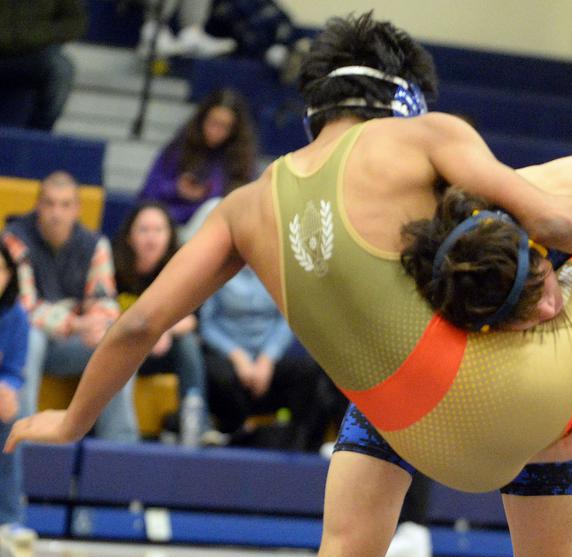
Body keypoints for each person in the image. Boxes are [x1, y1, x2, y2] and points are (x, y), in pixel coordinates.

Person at [5, 13, 572, 557]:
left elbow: (135, 330)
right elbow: (566, 213)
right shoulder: (434, 147)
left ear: (320, 109)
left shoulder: (244, 208)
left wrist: (66, 424)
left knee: (345, 548)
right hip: (514, 406)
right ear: (403, 102)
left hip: (396, 427)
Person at [1, 171, 138, 443]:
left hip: (70, 343)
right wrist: (75, 322)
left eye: (65, 205)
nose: (56, 213)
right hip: (30, 342)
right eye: (49, 204)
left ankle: (119, 446)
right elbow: (23, 305)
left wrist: (96, 326)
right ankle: (23, 437)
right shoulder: (14, 239)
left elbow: (105, 300)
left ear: (77, 209)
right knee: (32, 335)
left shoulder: (94, 243)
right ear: (38, 205)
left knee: (118, 339)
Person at [201, 266, 342, 451]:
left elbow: (286, 319)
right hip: (230, 357)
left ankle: (301, 444)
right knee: (217, 375)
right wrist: (237, 356)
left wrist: (268, 357)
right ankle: (232, 436)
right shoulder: (217, 270)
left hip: (267, 359)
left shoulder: (275, 267)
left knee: (308, 371)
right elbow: (207, 324)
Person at [112, 202, 208, 438]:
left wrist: (162, 330)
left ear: (169, 235)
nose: (151, 238)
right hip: (126, 349)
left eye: (158, 230)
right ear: (129, 237)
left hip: (161, 351)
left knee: (186, 343)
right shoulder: (113, 266)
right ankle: (120, 435)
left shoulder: (178, 268)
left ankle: (194, 421)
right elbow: (105, 316)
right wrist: (150, 331)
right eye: (144, 230)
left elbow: (192, 319)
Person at [138, 89, 257, 232]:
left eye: (224, 126)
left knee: (213, 207)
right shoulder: (179, 148)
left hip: (209, 233)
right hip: (168, 226)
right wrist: (176, 189)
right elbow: (147, 192)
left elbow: (239, 209)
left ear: (234, 130)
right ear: (202, 119)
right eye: (213, 122)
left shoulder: (240, 161)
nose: (216, 131)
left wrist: (206, 195)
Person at [0, 0, 86, 130]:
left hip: (35, 53)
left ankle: (38, 135)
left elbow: (75, 21)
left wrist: (38, 35)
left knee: (61, 69)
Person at [0, 241, 34, 557]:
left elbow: (13, 369)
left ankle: (8, 519)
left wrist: (6, 388)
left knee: (10, 419)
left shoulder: (15, 317)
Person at [137, 0, 236, 59]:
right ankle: (153, 30)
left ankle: (191, 34)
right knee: (155, 21)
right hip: (155, 17)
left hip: (192, 25)